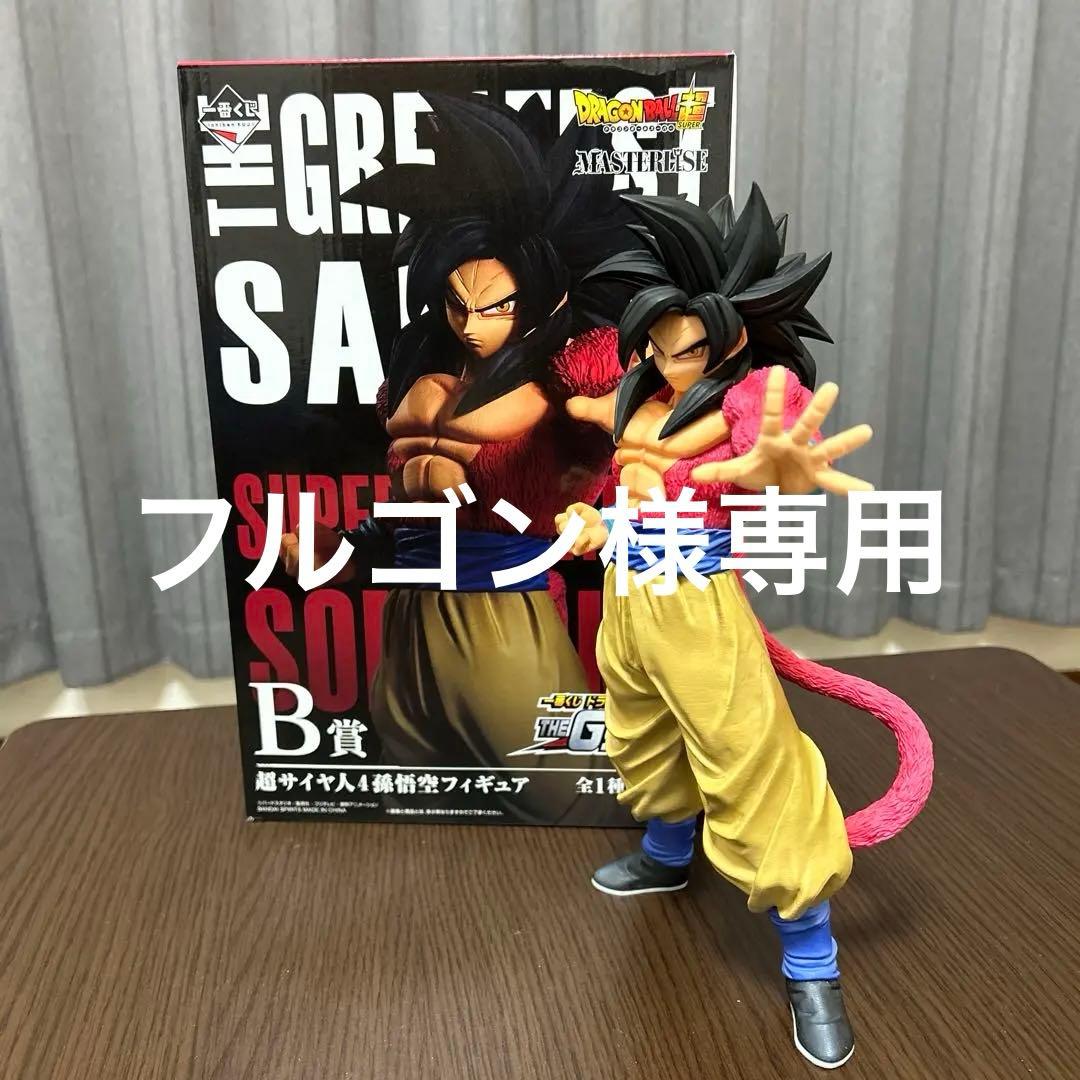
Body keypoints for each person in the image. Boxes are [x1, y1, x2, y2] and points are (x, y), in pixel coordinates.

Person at [557, 186, 933, 1068]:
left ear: (731, 338)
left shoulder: (749, 399)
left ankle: (811, 960)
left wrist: (776, 467)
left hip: (697, 606)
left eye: (686, 346)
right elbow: (628, 495)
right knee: (642, 736)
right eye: (656, 344)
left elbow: (765, 454)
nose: (668, 361)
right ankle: (666, 851)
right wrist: (595, 523)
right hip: (628, 602)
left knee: (750, 762)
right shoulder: (644, 399)